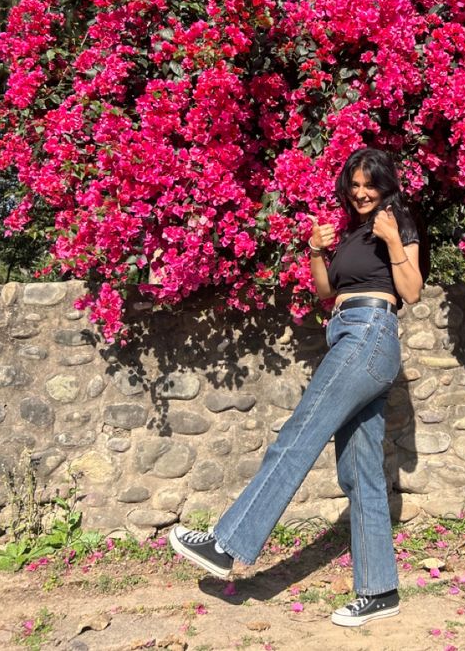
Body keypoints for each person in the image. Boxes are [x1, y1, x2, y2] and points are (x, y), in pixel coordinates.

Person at [169, 147, 423, 627]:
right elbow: (326, 292)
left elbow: (410, 291)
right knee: (361, 470)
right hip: (348, 332)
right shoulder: (352, 232)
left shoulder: (400, 223)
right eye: (355, 185)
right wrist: (315, 251)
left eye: (371, 184)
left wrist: (392, 241)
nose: (362, 192)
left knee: (300, 433)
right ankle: (380, 590)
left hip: (370, 333)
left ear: (387, 185)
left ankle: (230, 543)